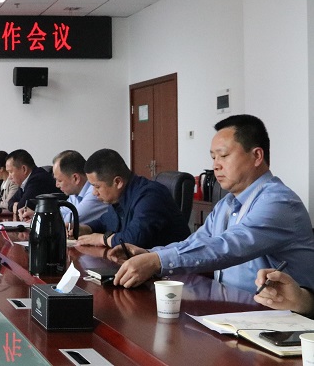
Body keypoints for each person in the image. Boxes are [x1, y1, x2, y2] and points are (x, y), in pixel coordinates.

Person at [113, 115, 314, 293]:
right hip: (232, 305)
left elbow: (228, 246)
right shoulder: (226, 204)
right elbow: (196, 242)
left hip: (276, 315)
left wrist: (158, 261)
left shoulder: (279, 202)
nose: (215, 165)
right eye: (213, 157)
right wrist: (151, 253)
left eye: (224, 156)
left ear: (257, 156)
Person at [76, 148, 189, 249]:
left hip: (170, 265)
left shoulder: (150, 196)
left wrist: (102, 239)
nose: (94, 193)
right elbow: (106, 221)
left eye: (97, 187)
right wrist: (86, 228)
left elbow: (134, 239)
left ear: (118, 182)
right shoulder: (119, 196)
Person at [7, 149, 58, 216]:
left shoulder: (38, 179)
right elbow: (10, 202)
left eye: (11, 172)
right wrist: (14, 205)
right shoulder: (25, 182)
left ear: (24, 169)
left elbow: (23, 207)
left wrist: (16, 205)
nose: (9, 177)